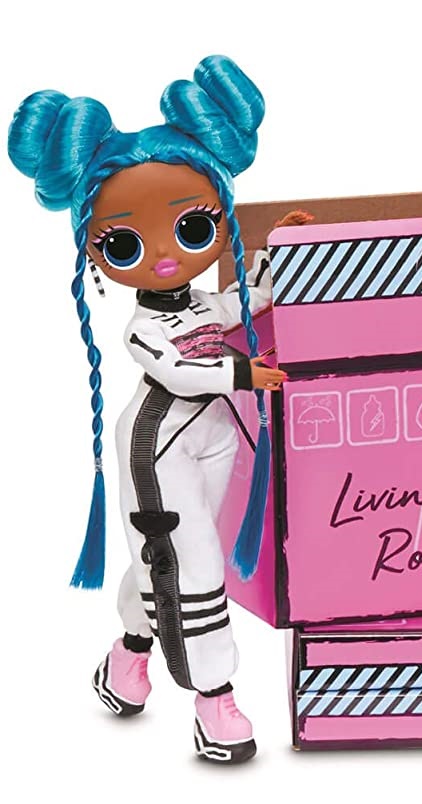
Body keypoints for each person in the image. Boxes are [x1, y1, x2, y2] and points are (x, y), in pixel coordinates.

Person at [7, 56, 287, 762]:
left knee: (161, 560)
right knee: (194, 570)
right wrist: (243, 371)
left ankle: (128, 656)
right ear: (95, 250)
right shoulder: (142, 328)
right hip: (158, 448)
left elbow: (236, 303)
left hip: (213, 437)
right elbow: (181, 370)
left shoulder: (200, 302)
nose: (164, 255)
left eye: (191, 228)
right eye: (126, 243)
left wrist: (276, 254)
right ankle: (214, 698)